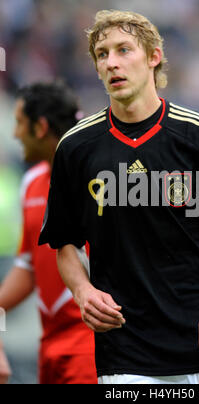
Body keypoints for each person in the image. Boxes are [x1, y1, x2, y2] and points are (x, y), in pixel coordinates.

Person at [39, 10, 199, 385]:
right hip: (125, 351)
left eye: (124, 50)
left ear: (154, 56)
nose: (112, 62)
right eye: (102, 54)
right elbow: (64, 243)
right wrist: (82, 289)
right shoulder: (75, 148)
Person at [0, 82, 97, 384]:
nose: (15, 134)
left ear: (41, 127)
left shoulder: (102, 180)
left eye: (19, 123)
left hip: (93, 347)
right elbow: (28, 264)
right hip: (50, 346)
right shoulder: (31, 181)